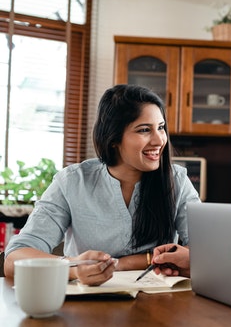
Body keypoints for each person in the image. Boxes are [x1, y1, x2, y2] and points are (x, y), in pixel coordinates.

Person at [4, 84, 200, 285]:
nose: (159, 140)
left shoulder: (177, 180)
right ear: (113, 138)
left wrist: (124, 264)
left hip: (161, 304)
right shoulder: (72, 181)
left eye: (160, 128)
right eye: (144, 130)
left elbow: (207, 251)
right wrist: (73, 268)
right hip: (87, 307)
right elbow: (14, 260)